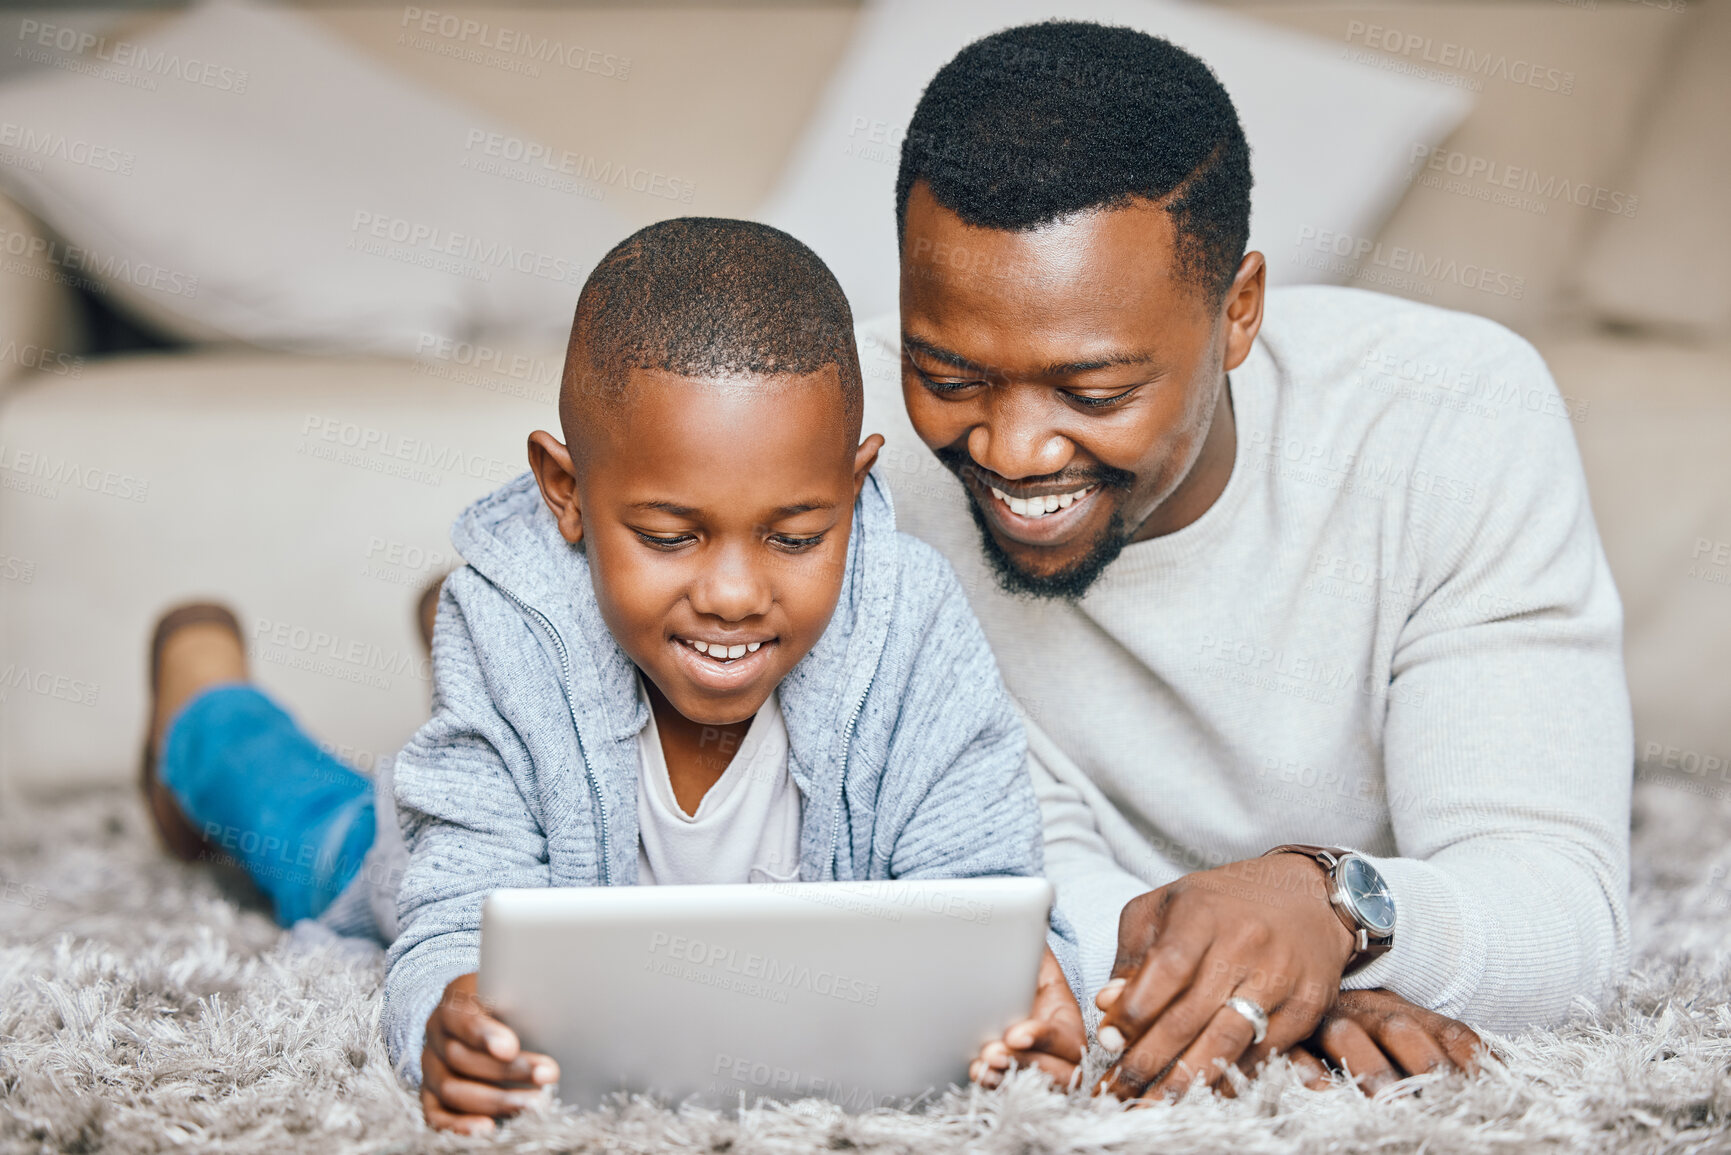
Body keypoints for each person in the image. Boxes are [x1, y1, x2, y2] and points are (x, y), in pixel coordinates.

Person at [141, 217, 1083, 1134]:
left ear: (854, 483)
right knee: (315, 833)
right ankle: (200, 692)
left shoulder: (912, 624)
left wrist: (1032, 996)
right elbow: (452, 922)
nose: (732, 593)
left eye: (796, 536)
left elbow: (988, 894)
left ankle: (468, 632)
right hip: (430, 827)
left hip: (556, 651)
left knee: (524, 642)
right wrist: (446, 1014)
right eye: (671, 537)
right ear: (566, 492)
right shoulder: (517, 627)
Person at [865, 21, 1628, 1100]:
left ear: (1240, 312)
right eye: (947, 373)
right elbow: (1001, 871)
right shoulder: (831, 452)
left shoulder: (1453, 414)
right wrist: (1261, 982)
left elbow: (1561, 905)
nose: (1010, 450)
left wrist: (1332, 911)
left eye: (1094, 392)